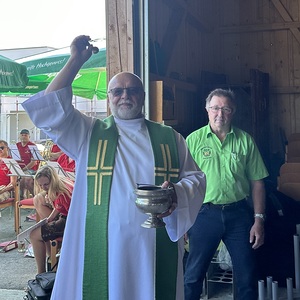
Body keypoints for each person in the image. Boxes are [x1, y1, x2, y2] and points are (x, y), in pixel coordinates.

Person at [22, 35, 206, 300]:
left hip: (152, 249)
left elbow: (196, 179)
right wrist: (75, 61)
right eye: (117, 91)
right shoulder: (89, 132)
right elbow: (49, 110)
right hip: (102, 246)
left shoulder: (170, 138)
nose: (125, 96)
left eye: (132, 90)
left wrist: (177, 193)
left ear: (143, 97)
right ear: (108, 98)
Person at [184, 88, 269, 300]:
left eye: (226, 109)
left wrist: (258, 220)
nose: (219, 113)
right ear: (207, 110)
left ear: (233, 112)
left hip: (238, 215)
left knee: (246, 276)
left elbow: (257, 182)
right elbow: (183, 183)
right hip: (203, 215)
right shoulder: (192, 141)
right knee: (192, 276)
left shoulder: (245, 141)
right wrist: (183, 220)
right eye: (215, 108)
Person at [30, 165, 74, 274]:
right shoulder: (61, 182)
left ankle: (40, 273)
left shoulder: (63, 192)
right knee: (41, 230)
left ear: (52, 180)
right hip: (66, 218)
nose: (44, 187)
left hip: (70, 222)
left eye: (46, 184)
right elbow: (59, 207)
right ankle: (50, 259)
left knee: (34, 235)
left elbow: (73, 215)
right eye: (40, 185)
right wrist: (50, 219)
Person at [16, 129, 38, 197]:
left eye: (25, 135)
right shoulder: (17, 145)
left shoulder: (33, 146)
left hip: (30, 169)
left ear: (29, 136)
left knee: (23, 177)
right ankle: (16, 196)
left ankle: (24, 196)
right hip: (18, 168)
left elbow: (33, 162)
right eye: (22, 135)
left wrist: (23, 169)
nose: (23, 136)